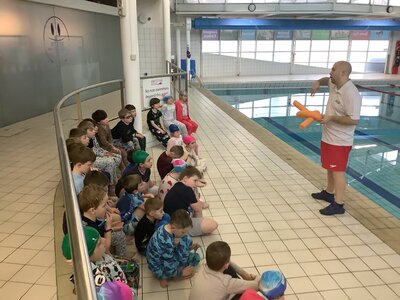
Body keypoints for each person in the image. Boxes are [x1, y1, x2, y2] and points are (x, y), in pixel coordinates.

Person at [310, 61, 362, 215]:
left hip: (340, 141)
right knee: (330, 168)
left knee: (337, 171)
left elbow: (354, 120)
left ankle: (338, 204)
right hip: (328, 137)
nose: (330, 71)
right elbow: (327, 80)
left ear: (343, 73)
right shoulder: (335, 84)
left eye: (333, 69)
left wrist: (331, 117)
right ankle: (328, 192)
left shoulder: (351, 93)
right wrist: (318, 82)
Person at [62, 226, 138, 298]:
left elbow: (106, 257)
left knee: (134, 266)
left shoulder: (98, 255)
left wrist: (114, 260)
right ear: (87, 258)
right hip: (121, 293)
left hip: (117, 276)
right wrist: (131, 293)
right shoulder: (96, 277)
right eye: (99, 244)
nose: (104, 240)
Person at [146, 209, 201, 288]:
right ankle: (166, 277)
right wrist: (181, 273)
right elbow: (168, 264)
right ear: (173, 227)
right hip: (158, 265)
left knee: (186, 240)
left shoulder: (166, 227)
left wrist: (190, 247)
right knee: (195, 258)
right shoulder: (166, 243)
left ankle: (174, 271)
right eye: (183, 232)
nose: (185, 234)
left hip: (163, 256)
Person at [190, 241, 259, 300]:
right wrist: (256, 277)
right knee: (245, 293)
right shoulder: (226, 282)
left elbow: (228, 265)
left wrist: (245, 275)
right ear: (226, 264)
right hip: (227, 282)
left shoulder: (203, 265)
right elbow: (256, 286)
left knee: (229, 270)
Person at [163, 166, 218, 236]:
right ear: (185, 178)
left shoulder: (178, 185)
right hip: (178, 225)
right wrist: (199, 222)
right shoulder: (187, 190)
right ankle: (188, 231)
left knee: (201, 207)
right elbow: (198, 209)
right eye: (195, 180)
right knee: (213, 224)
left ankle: (195, 225)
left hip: (172, 220)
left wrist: (195, 184)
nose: (196, 183)